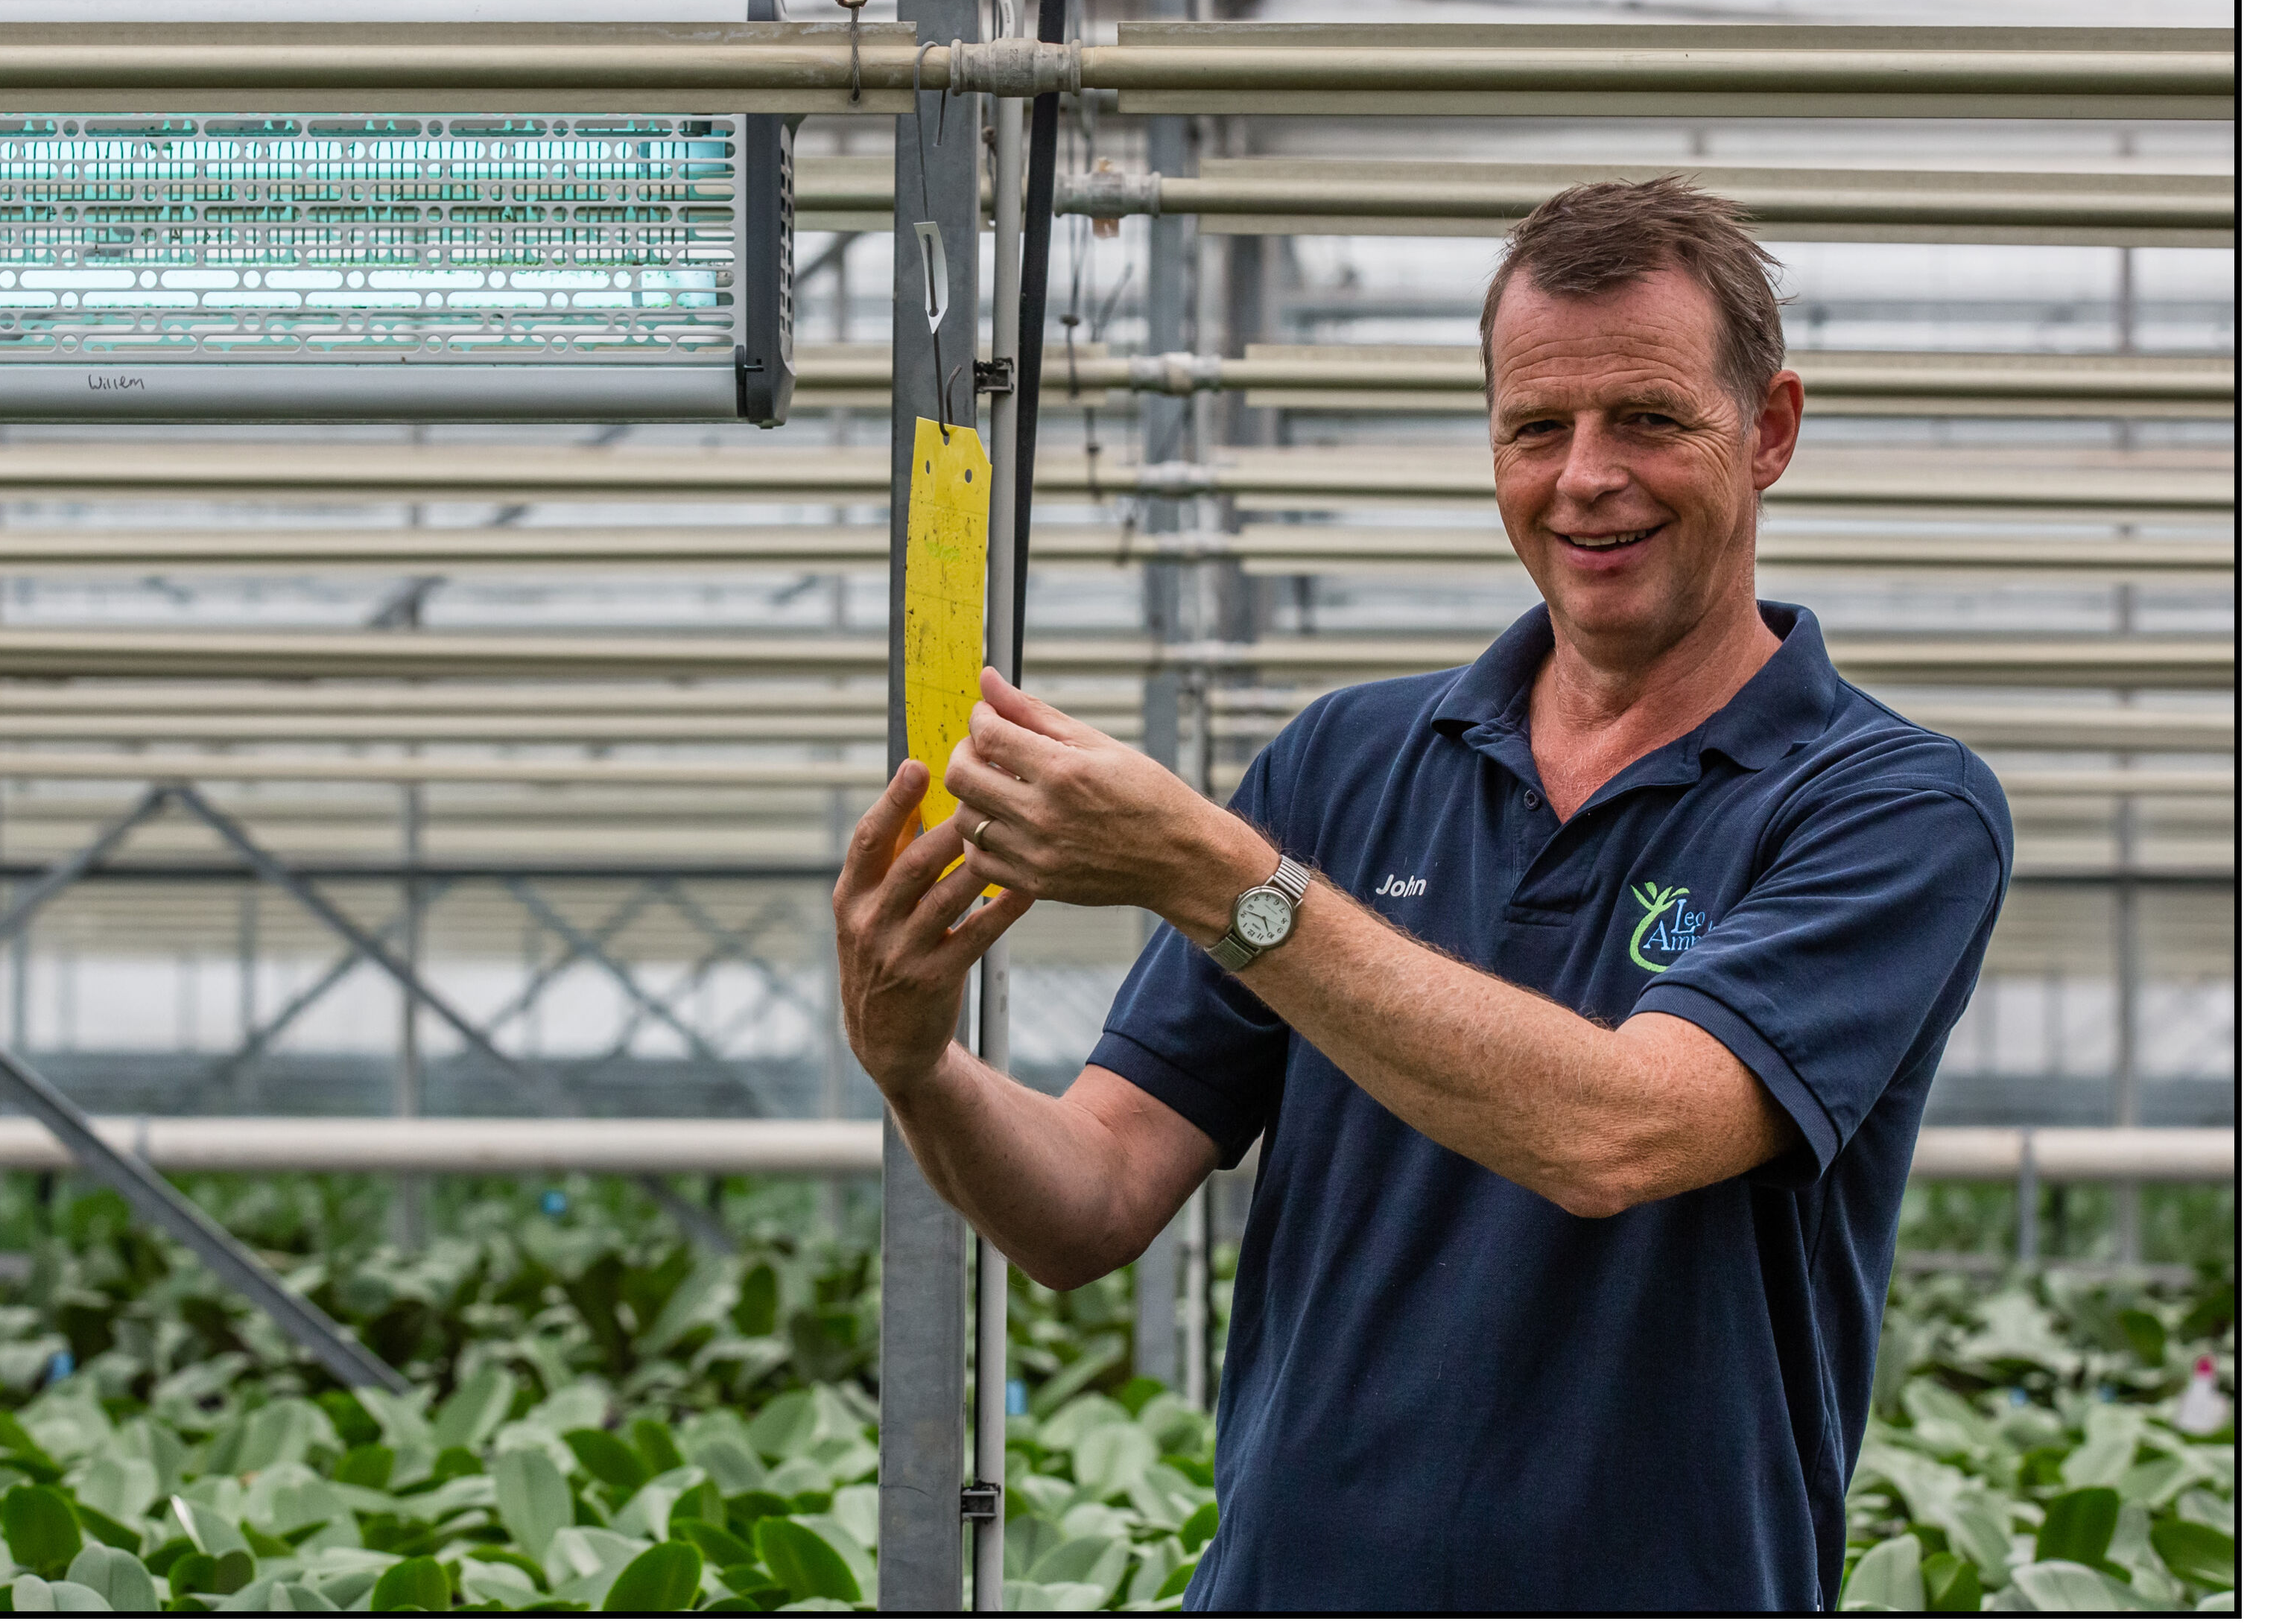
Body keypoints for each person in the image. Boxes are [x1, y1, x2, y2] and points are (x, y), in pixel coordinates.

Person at [833, 178, 2013, 1611]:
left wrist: (1221, 877)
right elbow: (1088, 1201)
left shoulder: (1887, 804)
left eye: (1648, 417)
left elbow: (1617, 1130)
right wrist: (918, 1067)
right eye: (1536, 427)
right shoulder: (1345, 763)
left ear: (1767, 432)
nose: (1586, 475)